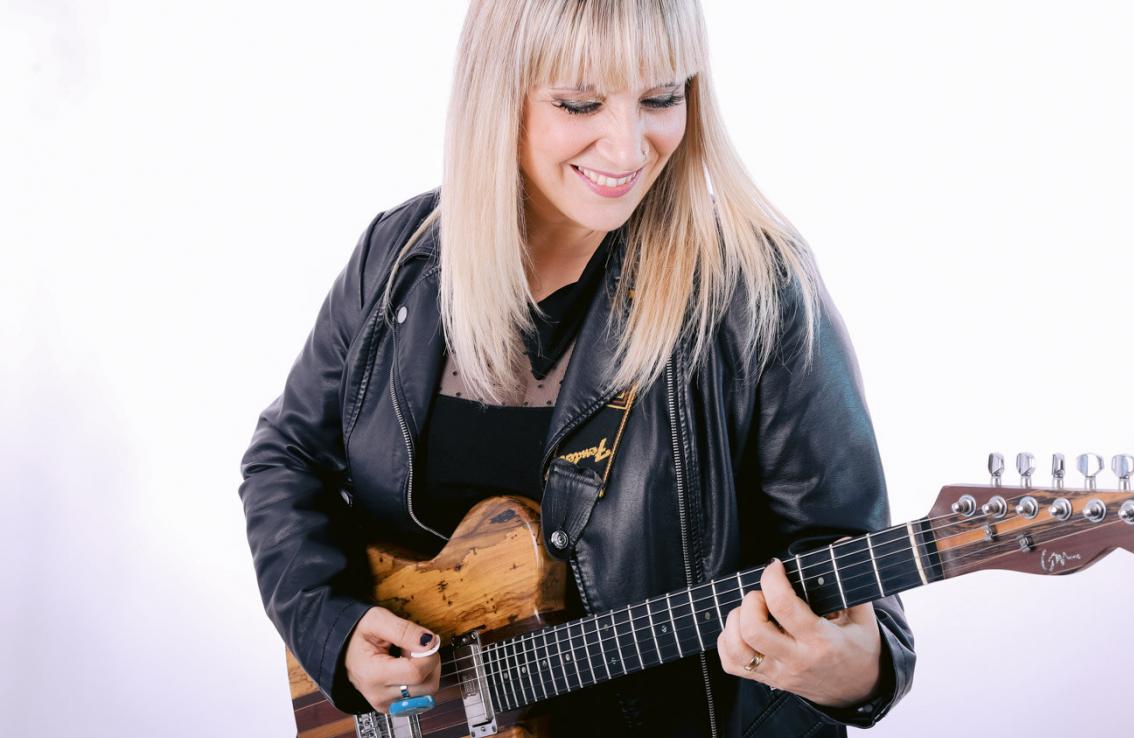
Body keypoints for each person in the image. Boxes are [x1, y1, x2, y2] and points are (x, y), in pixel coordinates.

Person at [237, 0, 916, 735]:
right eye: (581, 102)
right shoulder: (399, 257)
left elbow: (847, 559)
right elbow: (285, 456)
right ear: (497, 96)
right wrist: (332, 632)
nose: (627, 149)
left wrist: (857, 670)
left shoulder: (757, 285)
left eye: (661, 97)